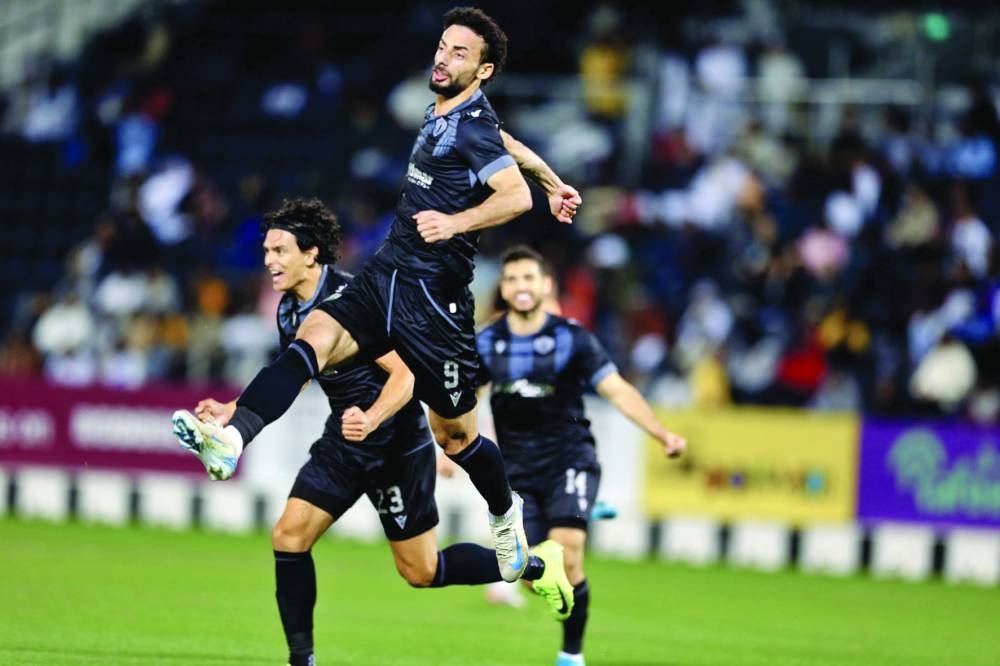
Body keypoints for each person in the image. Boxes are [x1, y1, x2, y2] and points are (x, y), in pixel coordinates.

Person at [171, 6, 582, 586]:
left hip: (435, 303)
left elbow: (513, 197)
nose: (443, 58)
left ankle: (504, 514)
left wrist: (456, 222)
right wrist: (554, 180)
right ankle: (233, 438)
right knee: (314, 335)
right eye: (442, 46)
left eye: (460, 53)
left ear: (485, 70)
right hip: (385, 275)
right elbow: (509, 145)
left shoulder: (471, 125)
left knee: (456, 437)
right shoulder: (445, 111)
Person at [175, 198, 574, 666]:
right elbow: (296, 375)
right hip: (344, 442)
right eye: (266, 251)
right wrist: (233, 408)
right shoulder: (288, 312)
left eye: (279, 250)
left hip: (397, 443)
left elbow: (407, 373)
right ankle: (302, 661)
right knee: (288, 536)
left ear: (311, 254)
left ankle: (536, 563)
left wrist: (374, 416)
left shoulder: (355, 300)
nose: (268, 260)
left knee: (421, 570)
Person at [472, 245, 687, 666]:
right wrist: (449, 452)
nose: (520, 286)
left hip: (568, 459)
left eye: (529, 277)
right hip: (515, 471)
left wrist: (661, 433)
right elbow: (467, 401)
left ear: (546, 285)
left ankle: (571, 654)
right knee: (526, 573)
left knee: (568, 553)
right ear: (504, 288)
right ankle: (579, 518)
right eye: (512, 279)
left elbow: (617, 389)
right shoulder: (487, 342)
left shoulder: (573, 338)